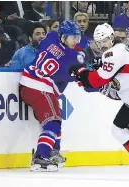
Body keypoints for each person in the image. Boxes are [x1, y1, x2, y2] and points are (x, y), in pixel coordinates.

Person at [69, 23, 129, 171]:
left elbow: (96, 80)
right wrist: (87, 78)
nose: (102, 45)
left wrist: (81, 73)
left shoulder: (113, 53)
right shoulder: (114, 53)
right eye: (99, 42)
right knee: (118, 129)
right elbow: (109, 87)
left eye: (104, 40)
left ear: (112, 38)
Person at [19, 20, 84, 172]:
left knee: (56, 118)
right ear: (63, 37)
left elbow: (50, 39)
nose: (75, 41)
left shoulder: (51, 38)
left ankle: (53, 151)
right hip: (40, 86)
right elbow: (83, 76)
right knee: (53, 122)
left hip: (28, 82)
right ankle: (40, 157)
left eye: (77, 37)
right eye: (72, 37)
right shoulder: (73, 57)